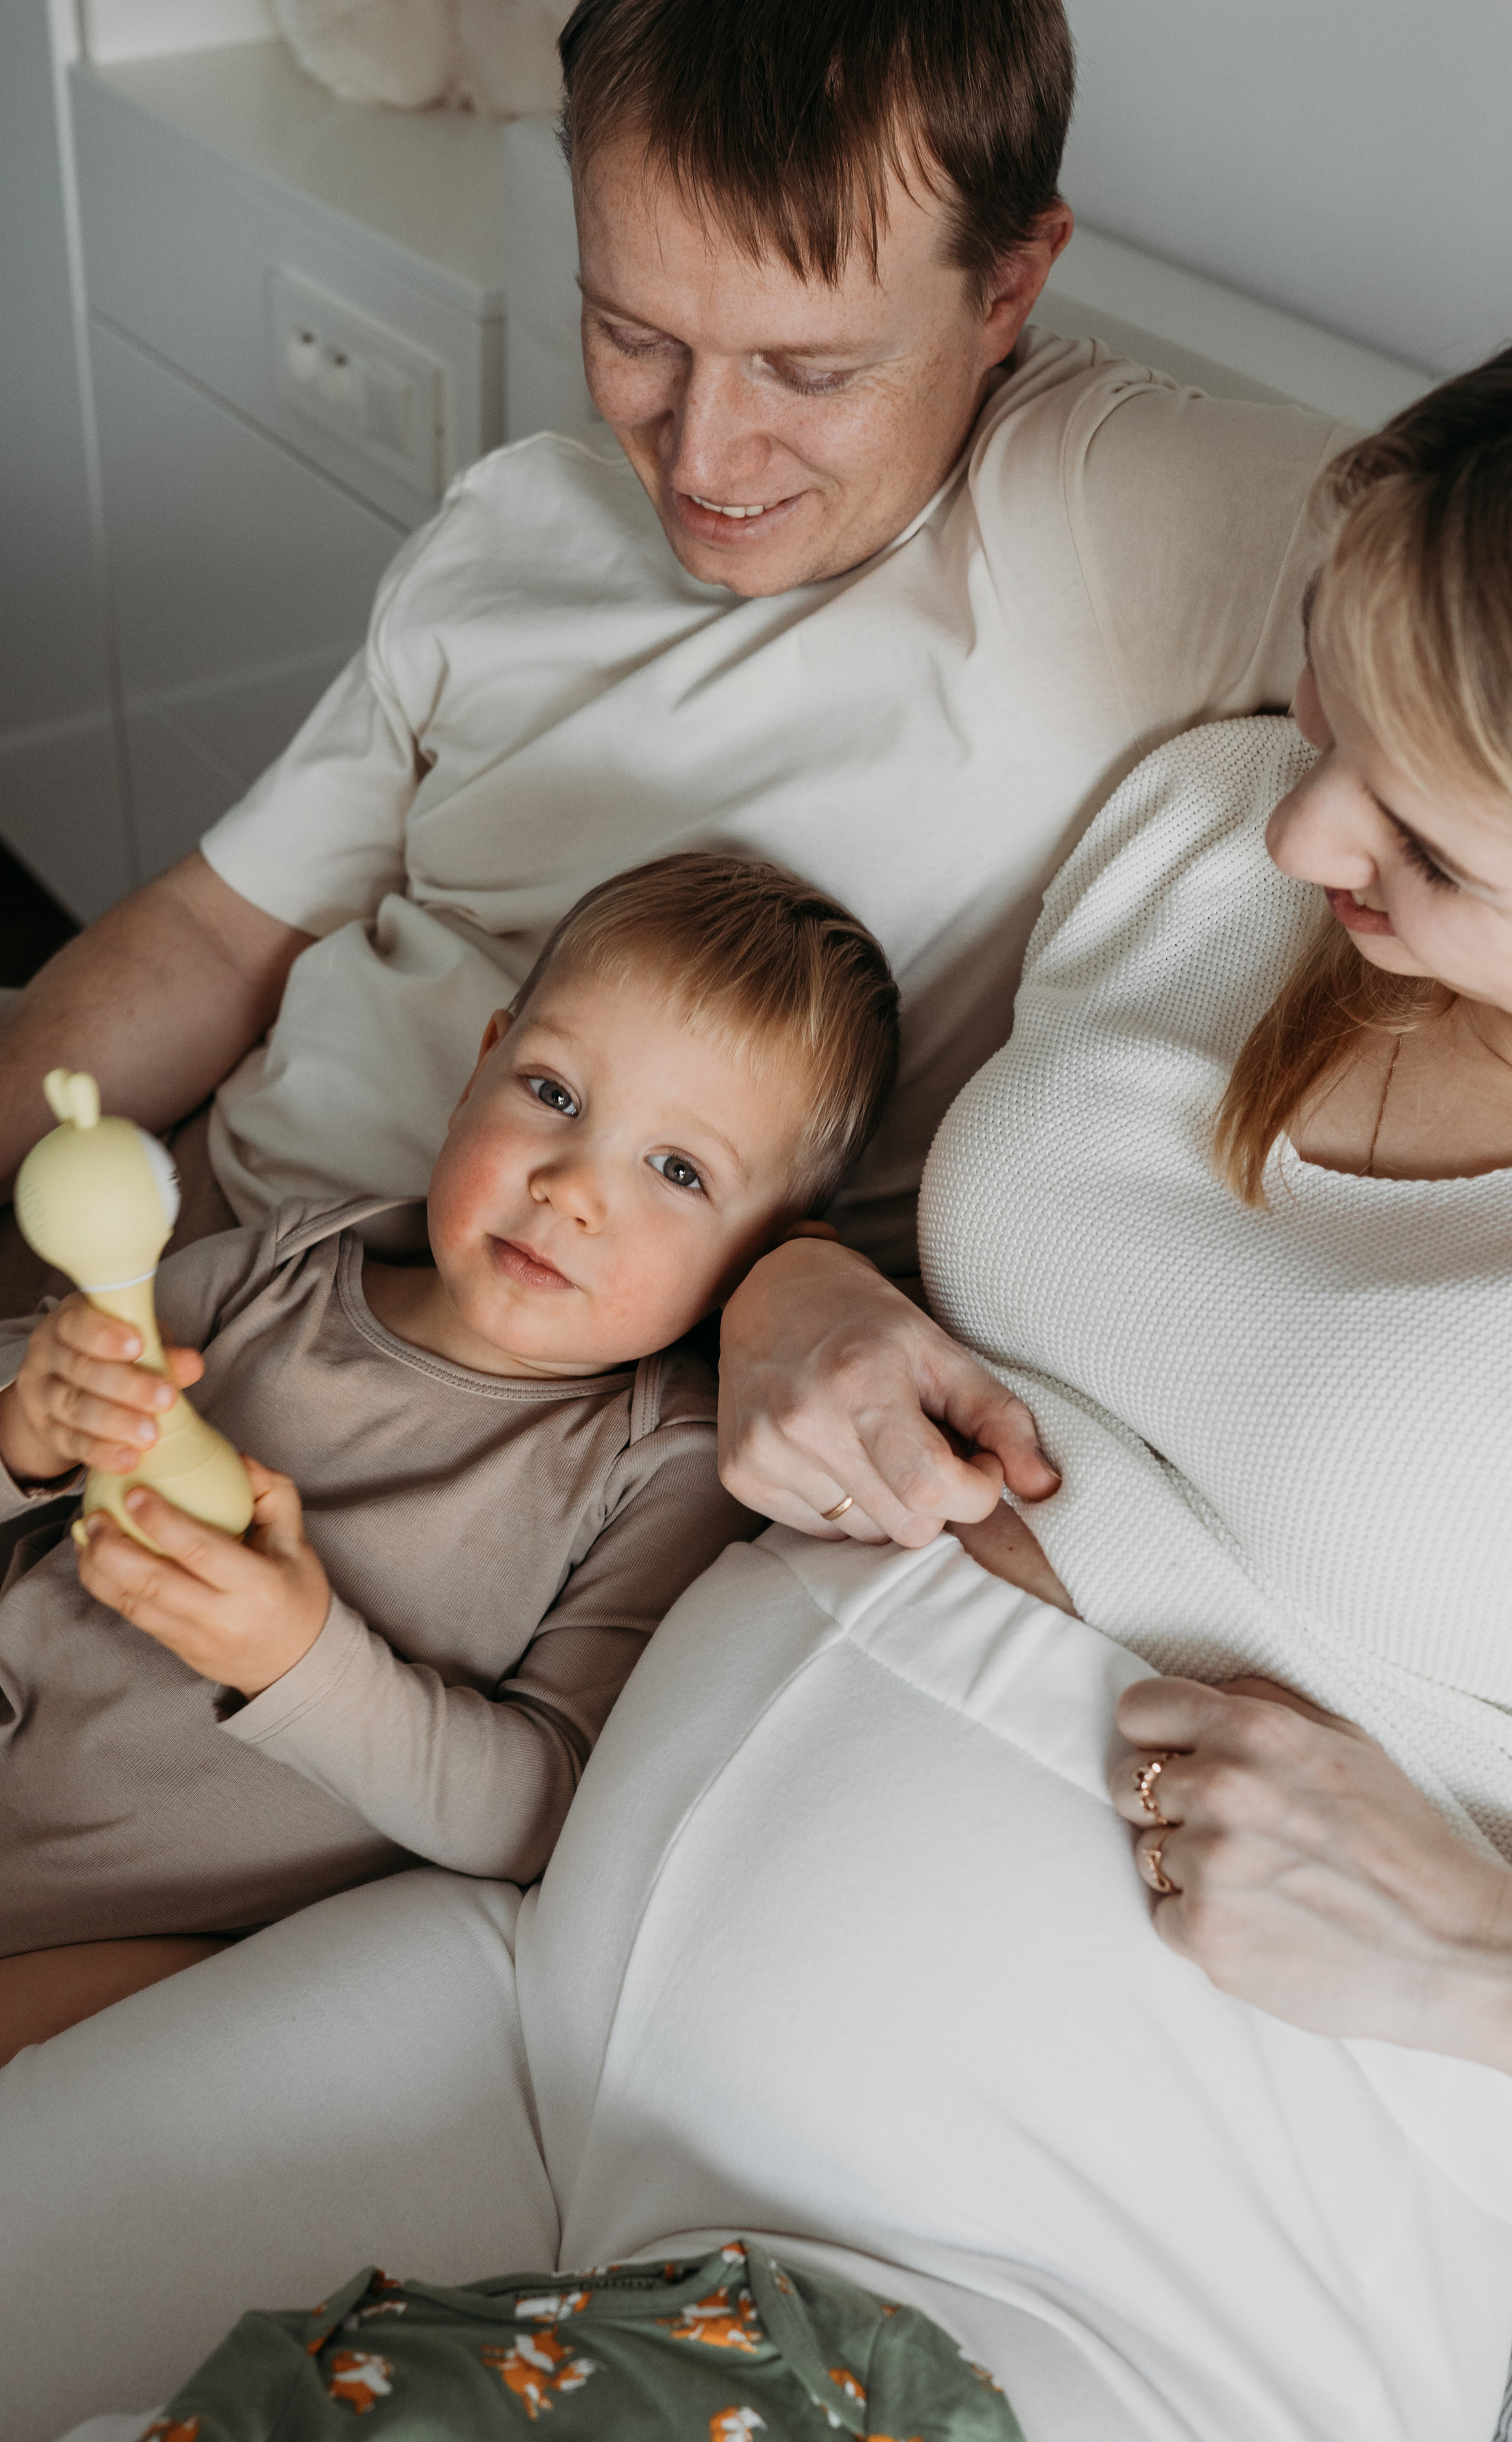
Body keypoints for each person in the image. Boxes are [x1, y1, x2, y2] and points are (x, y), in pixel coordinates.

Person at [9, 261, 1512, 2442]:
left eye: (1425, 828)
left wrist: (1490, 1951)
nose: (1305, 830)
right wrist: (790, 1291)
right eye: (1329, 722)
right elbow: (776, 1161)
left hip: (1065, 2275)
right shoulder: (1213, 860)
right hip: (541, 1995)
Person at [0, 0, 1348, 1585]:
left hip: (444, 1449)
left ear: (1010, 284)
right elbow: (215, 926)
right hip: (173, 1277)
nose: (699, 463)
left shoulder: (1133, 519)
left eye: (806, 371)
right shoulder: (515, 524)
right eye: (631, 334)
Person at [0, 853, 898, 2062]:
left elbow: (537, 1808)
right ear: (481, 1065)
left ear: (763, 1256)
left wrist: (297, 1660)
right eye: (554, 1092)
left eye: (679, 1172)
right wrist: (29, 1426)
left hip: (142, 1928)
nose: (572, 1186)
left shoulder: (659, 1466)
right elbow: (42, 1371)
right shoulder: (292, 1264)